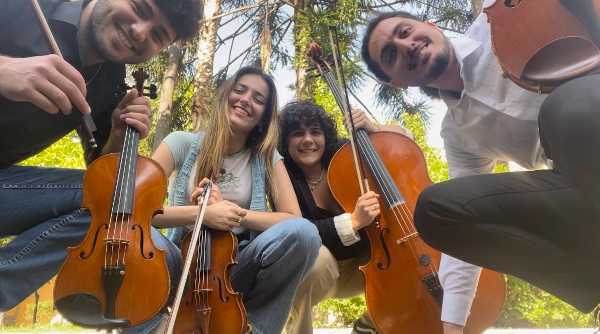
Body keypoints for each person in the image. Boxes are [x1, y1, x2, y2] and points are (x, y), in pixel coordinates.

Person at [361, 0, 600, 333]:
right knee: (435, 211)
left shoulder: (497, 19)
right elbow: (464, 241)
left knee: (566, 107)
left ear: (430, 26)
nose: (406, 46)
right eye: (391, 54)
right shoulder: (458, 135)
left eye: (405, 32)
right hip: (580, 189)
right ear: (396, 82)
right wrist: (453, 326)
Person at [0, 0, 201, 331]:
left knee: (113, 200)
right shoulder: (26, 7)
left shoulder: (109, 83)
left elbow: (101, 175)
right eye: (139, 7)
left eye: (157, 34)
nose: (139, 31)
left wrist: (118, 136)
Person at [151, 67, 321, 334]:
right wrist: (200, 215)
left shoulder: (265, 156)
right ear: (226, 95)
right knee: (134, 234)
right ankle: (152, 327)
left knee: (304, 234)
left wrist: (234, 215)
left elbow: (292, 218)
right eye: (240, 90)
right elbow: (137, 210)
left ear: (264, 116)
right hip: (179, 264)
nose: (246, 100)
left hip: (235, 266)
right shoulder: (180, 142)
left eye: (258, 99)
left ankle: (253, 328)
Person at [279, 101, 410, 334]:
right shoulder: (281, 175)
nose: (308, 139)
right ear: (286, 142)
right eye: (298, 134)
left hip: (369, 267)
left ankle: (370, 324)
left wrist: (373, 127)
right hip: (319, 273)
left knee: (411, 247)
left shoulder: (343, 156)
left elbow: (403, 144)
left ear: (325, 137)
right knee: (314, 258)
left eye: (315, 132)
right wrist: (354, 221)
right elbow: (296, 229)